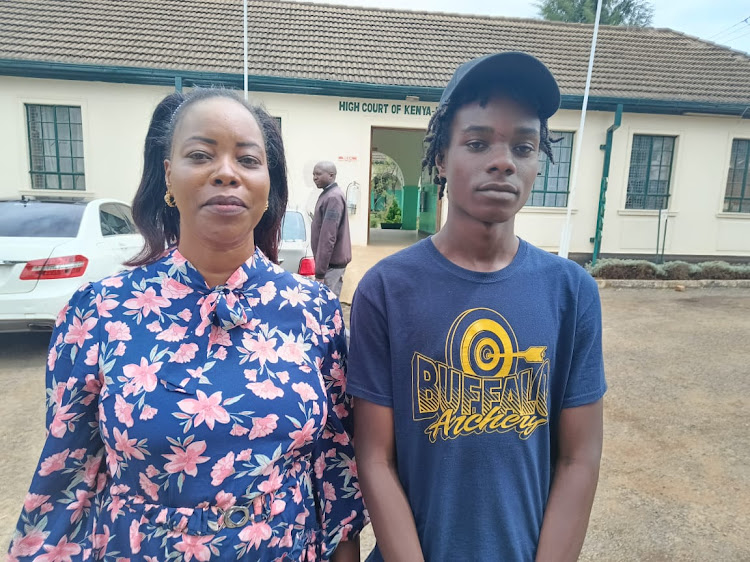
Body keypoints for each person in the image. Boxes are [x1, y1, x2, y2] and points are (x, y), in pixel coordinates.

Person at [7, 89, 366, 561]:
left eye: (248, 159)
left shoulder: (314, 312)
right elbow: (67, 476)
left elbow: (334, 470)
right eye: (200, 155)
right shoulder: (98, 312)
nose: (225, 172)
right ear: (168, 177)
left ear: (267, 188)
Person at [347, 52, 606, 561]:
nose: (503, 160)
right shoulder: (385, 290)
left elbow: (579, 457)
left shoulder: (571, 292)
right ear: (441, 159)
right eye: (477, 142)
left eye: (524, 146)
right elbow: (374, 457)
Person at [311, 162, 351, 298]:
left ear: (331, 175)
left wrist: (320, 272)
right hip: (330, 264)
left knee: (326, 305)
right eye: (313, 174)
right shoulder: (328, 195)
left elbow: (328, 236)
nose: (314, 177)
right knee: (328, 303)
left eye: (318, 174)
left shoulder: (333, 197)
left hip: (331, 266)